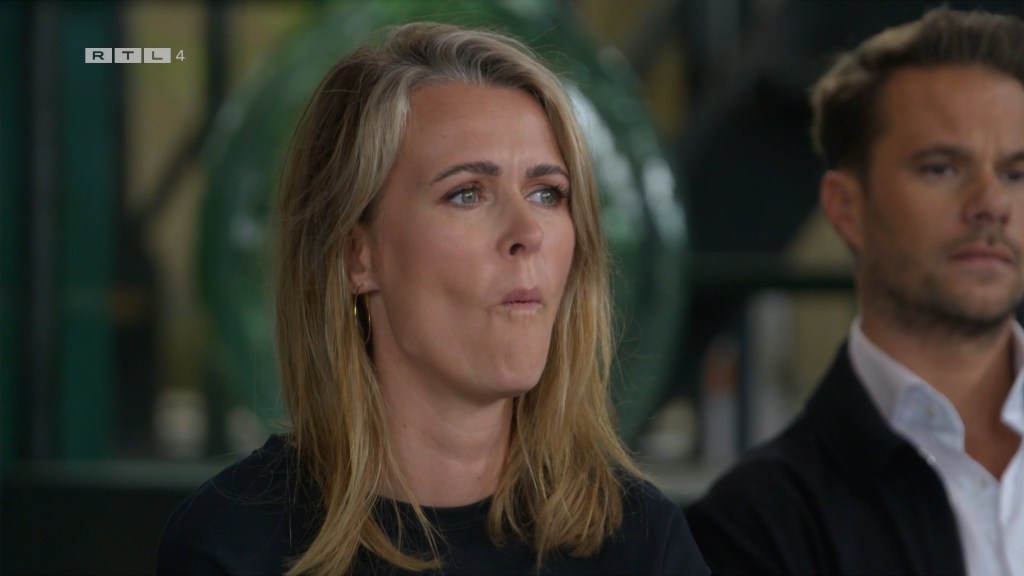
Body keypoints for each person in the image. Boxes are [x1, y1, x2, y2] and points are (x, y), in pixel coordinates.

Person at [157, 21, 708, 576]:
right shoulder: (231, 547)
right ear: (357, 255)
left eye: (547, 193)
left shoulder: (641, 543)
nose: (528, 232)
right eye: (467, 194)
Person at [686, 6, 1024, 575]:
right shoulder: (758, 524)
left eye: (1016, 173)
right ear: (847, 208)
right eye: (941, 167)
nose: (991, 202)